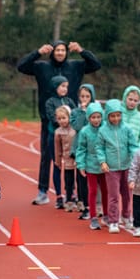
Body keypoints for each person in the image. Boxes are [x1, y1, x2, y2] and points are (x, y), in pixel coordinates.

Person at [17, 40, 101, 205]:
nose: (60, 53)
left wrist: (81, 50)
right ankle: (43, 191)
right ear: (52, 52)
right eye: (57, 50)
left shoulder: (75, 66)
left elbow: (96, 64)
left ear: (66, 52)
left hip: (72, 121)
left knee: (74, 156)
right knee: (47, 156)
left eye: (63, 50)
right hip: (49, 120)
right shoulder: (42, 67)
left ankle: (73, 192)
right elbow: (21, 66)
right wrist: (38, 52)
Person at [95, 99, 139, 234]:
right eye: (112, 115)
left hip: (127, 167)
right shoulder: (103, 131)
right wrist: (102, 161)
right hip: (111, 169)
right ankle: (113, 221)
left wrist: (135, 158)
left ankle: (126, 217)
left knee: (127, 194)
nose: (115, 118)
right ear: (107, 115)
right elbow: (99, 148)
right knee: (113, 195)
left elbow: (133, 145)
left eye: (118, 115)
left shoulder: (127, 129)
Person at [76, 102, 108, 230]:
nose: (96, 120)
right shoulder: (85, 131)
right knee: (93, 191)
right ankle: (93, 217)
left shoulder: (106, 129)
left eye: (98, 117)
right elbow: (81, 149)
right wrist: (81, 165)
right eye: (93, 117)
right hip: (90, 166)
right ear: (89, 118)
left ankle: (106, 215)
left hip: (104, 166)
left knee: (106, 191)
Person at [45, 76, 76, 209]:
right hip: (55, 136)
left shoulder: (69, 101)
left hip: (70, 136)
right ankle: (58, 195)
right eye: (62, 86)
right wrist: (63, 120)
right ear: (55, 86)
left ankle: (71, 192)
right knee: (57, 164)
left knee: (72, 164)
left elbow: (76, 115)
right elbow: (52, 118)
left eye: (66, 86)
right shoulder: (50, 102)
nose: (65, 89)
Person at [70, 83, 96, 216]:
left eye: (87, 96)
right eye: (82, 96)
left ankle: (93, 205)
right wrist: (83, 112)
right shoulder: (75, 112)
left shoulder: (97, 112)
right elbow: (77, 126)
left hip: (92, 149)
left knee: (92, 179)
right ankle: (83, 202)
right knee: (80, 178)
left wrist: (90, 113)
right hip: (79, 149)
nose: (85, 98)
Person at [54, 105, 76, 212]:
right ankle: (69, 200)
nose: (62, 121)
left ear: (69, 117)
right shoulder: (58, 132)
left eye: (64, 118)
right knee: (68, 180)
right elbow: (58, 149)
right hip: (67, 160)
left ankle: (80, 200)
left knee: (80, 181)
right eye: (59, 118)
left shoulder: (75, 129)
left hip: (77, 159)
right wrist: (58, 161)